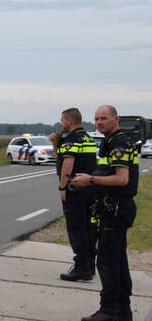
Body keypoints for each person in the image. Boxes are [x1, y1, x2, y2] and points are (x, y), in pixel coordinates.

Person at [71, 105, 139, 321]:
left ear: (116, 119)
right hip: (114, 208)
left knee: (107, 262)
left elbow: (121, 179)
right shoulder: (112, 141)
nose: (99, 122)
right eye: (96, 119)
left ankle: (108, 311)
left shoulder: (119, 143)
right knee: (118, 260)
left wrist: (89, 180)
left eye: (104, 118)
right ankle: (123, 309)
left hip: (116, 209)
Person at [49, 108, 98, 281]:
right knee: (87, 228)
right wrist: (56, 144)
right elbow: (62, 156)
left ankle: (81, 268)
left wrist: (62, 187)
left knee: (76, 229)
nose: (61, 123)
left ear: (69, 120)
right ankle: (90, 265)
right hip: (89, 188)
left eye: (62, 120)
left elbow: (67, 165)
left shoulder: (72, 139)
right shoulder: (87, 137)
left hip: (74, 189)